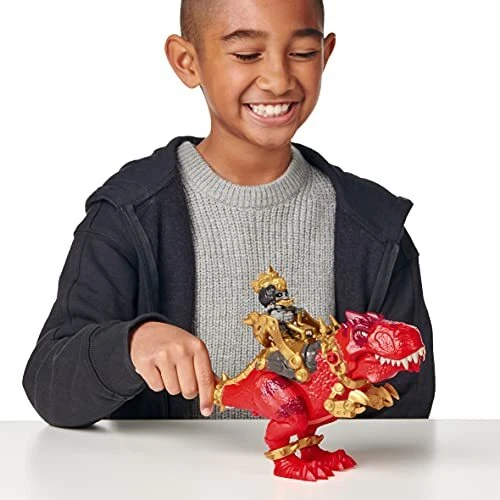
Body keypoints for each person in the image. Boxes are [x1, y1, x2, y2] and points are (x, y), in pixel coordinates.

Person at [22, 0, 435, 428]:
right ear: (187, 62)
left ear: (326, 55)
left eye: (303, 53)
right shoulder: (129, 215)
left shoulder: (375, 229)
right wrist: (129, 345)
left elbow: (406, 419)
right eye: (247, 54)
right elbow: (50, 384)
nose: (278, 79)